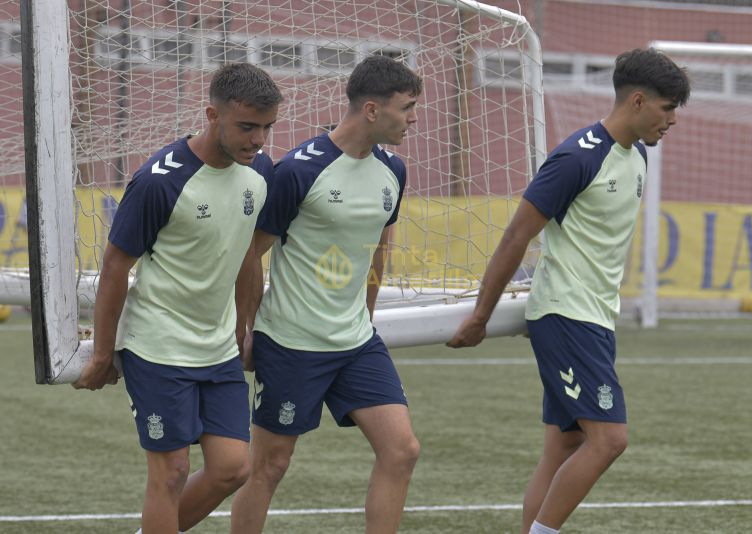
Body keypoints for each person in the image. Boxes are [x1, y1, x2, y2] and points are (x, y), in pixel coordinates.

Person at [447, 48, 690, 534]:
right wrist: (480, 314)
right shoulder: (577, 157)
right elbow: (517, 235)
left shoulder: (636, 154)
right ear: (639, 101)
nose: (672, 121)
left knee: (564, 447)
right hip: (565, 315)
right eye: (667, 108)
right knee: (610, 440)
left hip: (596, 317)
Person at [73, 63, 282, 534]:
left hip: (217, 348)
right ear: (213, 115)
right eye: (247, 127)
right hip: (157, 344)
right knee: (170, 474)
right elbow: (114, 267)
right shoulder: (159, 181)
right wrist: (105, 352)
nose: (258, 140)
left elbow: (248, 255)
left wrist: (242, 327)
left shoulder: (261, 171)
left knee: (233, 468)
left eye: (267, 127)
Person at [230, 55, 422, 534]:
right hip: (292, 342)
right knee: (269, 467)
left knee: (402, 451)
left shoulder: (393, 171)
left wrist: (368, 316)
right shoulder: (298, 170)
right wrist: (245, 331)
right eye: (407, 107)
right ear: (372, 110)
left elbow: (380, 247)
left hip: (356, 343)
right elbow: (248, 256)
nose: (414, 117)